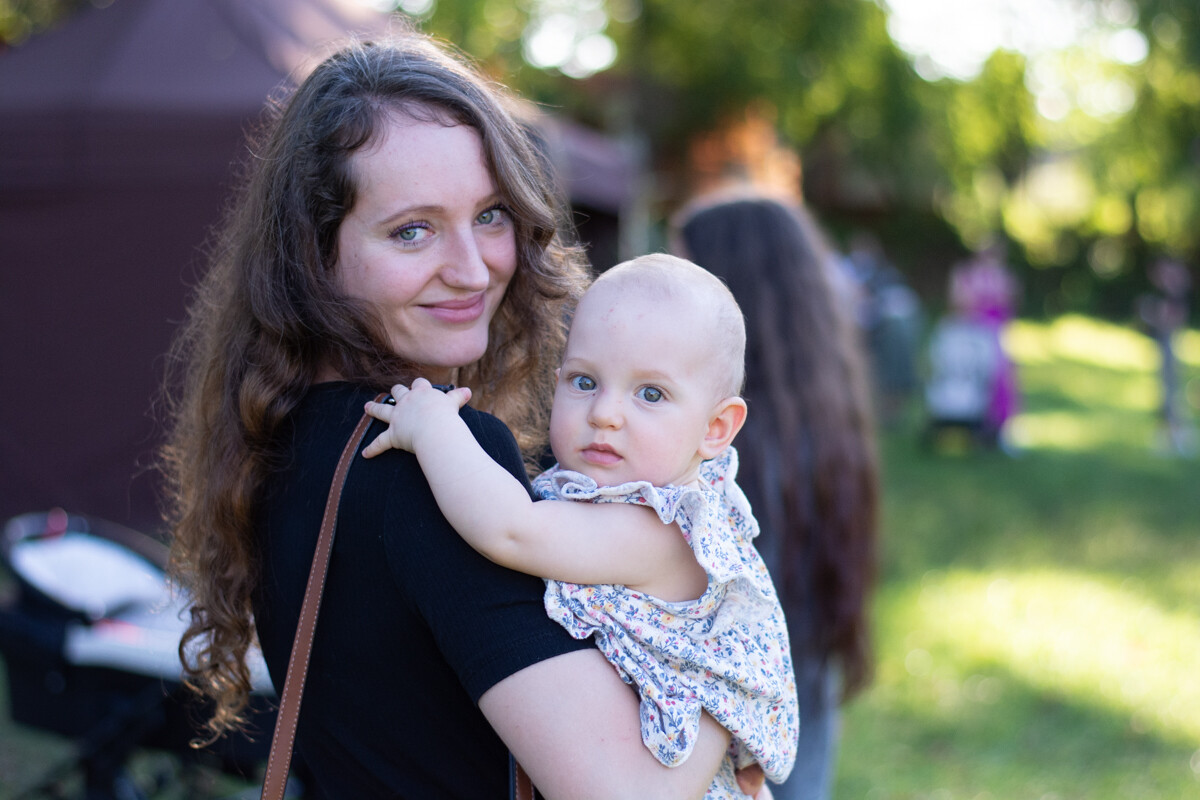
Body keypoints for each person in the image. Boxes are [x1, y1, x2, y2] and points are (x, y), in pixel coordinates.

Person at [161, 33, 736, 797]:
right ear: (316, 255)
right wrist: (735, 693)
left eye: (492, 215)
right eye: (413, 230)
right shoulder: (429, 460)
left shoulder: (287, 431)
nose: (473, 269)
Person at [362, 253, 800, 799]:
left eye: (650, 394)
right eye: (585, 381)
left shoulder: (663, 533)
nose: (605, 413)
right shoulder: (619, 502)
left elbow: (512, 529)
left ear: (716, 428)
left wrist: (432, 429)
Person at [672, 193, 880, 800]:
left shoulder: (721, 458)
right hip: (801, 693)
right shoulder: (822, 416)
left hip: (741, 735)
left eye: (685, 273)